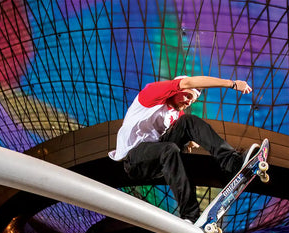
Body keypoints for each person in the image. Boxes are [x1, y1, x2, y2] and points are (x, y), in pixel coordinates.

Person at [108, 75, 253, 223]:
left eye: (192, 100)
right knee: (169, 149)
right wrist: (232, 84)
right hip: (134, 160)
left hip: (157, 158)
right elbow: (189, 82)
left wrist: (187, 142)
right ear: (177, 90)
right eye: (187, 96)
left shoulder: (177, 114)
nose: (189, 101)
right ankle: (190, 215)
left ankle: (233, 162)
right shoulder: (152, 94)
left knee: (187, 121)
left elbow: (185, 129)